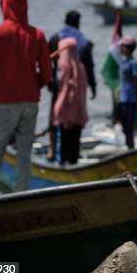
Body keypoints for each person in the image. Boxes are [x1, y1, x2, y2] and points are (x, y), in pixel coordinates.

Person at [0, 0, 53, 197]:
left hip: (4, 102)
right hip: (30, 103)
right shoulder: (37, 35)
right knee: (24, 153)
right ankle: (21, 196)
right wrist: (33, 85)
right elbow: (47, 74)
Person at [47, 10, 96, 161]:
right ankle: (74, 152)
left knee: (55, 115)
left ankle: (52, 149)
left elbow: (47, 62)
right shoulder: (84, 41)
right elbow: (89, 66)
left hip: (59, 85)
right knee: (76, 117)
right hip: (78, 87)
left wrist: (49, 83)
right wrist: (93, 87)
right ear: (78, 22)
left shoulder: (55, 38)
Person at [52, 38, 88, 164]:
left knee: (63, 145)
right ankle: (74, 164)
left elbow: (58, 88)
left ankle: (62, 165)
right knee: (74, 144)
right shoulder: (81, 67)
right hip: (78, 113)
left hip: (65, 114)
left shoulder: (63, 67)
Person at [118, 36, 137, 149]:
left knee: (129, 125)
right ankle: (127, 143)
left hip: (130, 98)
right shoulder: (123, 61)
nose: (120, 48)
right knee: (123, 124)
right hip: (122, 98)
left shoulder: (133, 63)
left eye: (122, 46)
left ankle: (130, 146)